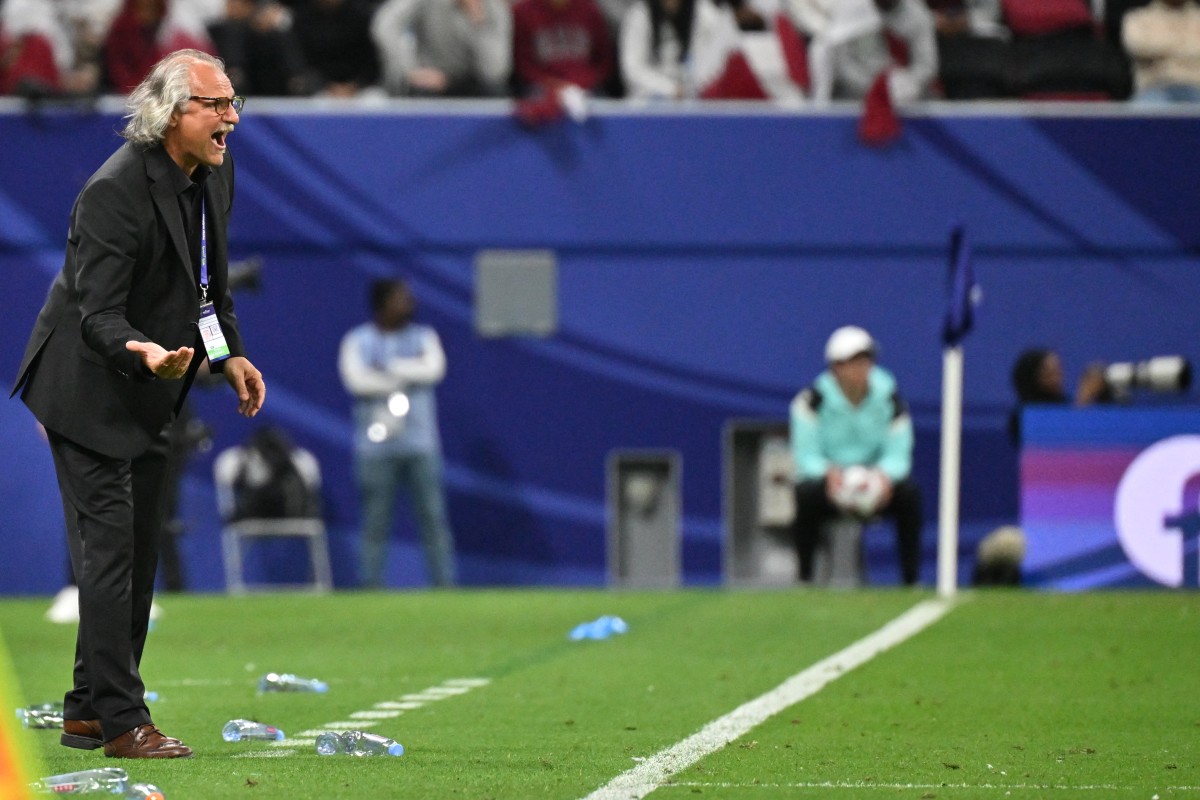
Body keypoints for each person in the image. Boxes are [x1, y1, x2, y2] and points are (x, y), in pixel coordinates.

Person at [10, 49, 265, 758]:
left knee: (140, 553)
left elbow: (209, 287)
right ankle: (125, 722)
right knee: (111, 554)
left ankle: (89, 710)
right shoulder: (114, 190)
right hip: (88, 385)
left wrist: (228, 354)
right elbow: (96, 314)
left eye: (232, 103)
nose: (231, 120)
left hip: (160, 385)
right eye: (215, 106)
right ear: (170, 113)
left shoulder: (214, 172)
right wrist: (143, 351)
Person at [338, 279, 456, 588]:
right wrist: (406, 375)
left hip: (420, 444)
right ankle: (371, 586)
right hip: (375, 448)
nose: (408, 304)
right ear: (382, 304)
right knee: (375, 524)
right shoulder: (357, 340)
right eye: (400, 299)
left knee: (433, 520)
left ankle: (445, 587)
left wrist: (387, 368)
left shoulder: (424, 337)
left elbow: (433, 370)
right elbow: (357, 382)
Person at [789, 326, 922, 585]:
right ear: (835, 367)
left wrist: (883, 476)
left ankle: (911, 580)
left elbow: (899, 452)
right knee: (804, 495)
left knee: (910, 495)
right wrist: (828, 473)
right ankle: (804, 578)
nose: (861, 368)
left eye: (866, 360)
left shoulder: (891, 399)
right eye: (852, 362)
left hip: (877, 481)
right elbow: (805, 455)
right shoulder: (810, 402)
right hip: (829, 481)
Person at [371, 0, 512, 97]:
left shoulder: (496, 8)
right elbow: (386, 24)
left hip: (474, 82)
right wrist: (410, 71)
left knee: (496, 92)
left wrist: (478, 23)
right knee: (419, 92)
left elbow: (494, 72)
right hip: (430, 78)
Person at [618, 0, 740, 99]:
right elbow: (633, 69)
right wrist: (670, 89)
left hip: (692, 95)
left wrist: (692, 88)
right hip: (648, 99)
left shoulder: (703, 13)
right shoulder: (639, 15)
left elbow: (716, 57)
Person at [1007, 347, 1111, 446]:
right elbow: (1055, 442)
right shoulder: (1023, 415)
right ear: (1033, 376)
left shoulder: (1065, 404)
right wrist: (1084, 401)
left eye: (1058, 370)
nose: (1057, 377)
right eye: (1049, 372)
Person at [512, 0, 616, 97]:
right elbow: (523, 66)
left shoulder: (590, 9)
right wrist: (555, 86)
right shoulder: (523, 12)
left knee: (601, 102)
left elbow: (604, 61)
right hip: (540, 87)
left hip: (587, 87)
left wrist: (582, 84)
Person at [1122, 0, 1200, 104]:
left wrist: (1162, 50)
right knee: (1140, 111)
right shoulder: (1138, 18)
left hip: (1196, 87)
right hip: (1154, 89)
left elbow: (1151, 48)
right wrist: (1187, 48)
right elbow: (1138, 46)